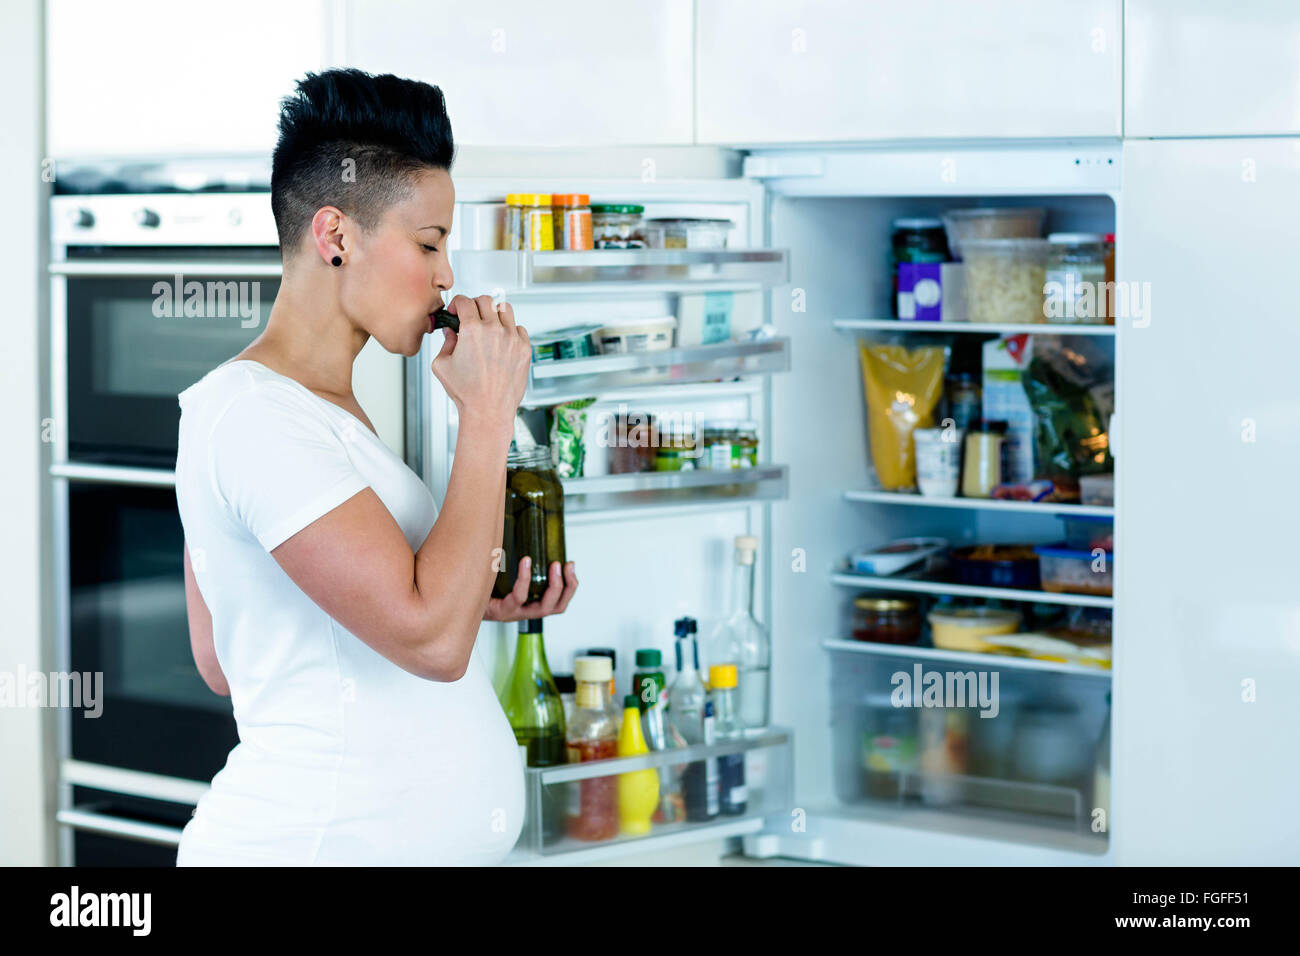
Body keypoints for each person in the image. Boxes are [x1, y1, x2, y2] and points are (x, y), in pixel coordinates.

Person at [173, 68, 577, 865]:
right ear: (335, 237)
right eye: (428, 243)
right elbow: (430, 644)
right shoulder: (254, 416)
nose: (447, 275)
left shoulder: (322, 411)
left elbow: (227, 657)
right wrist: (489, 413)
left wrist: (466, 602)